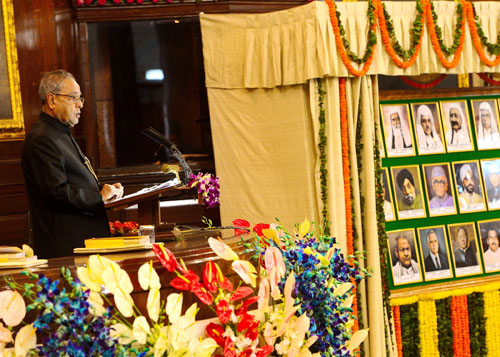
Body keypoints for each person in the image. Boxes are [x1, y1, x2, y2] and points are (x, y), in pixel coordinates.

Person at [21, 70, 124, 258]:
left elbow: (74, 182)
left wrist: (105, 191)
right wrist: (98, 198)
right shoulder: (42, 138)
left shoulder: (60, 133)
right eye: (73, 98)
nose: (79, 105)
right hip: (65, 247)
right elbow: (56, 192)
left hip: (81, 243)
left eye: (80, 99)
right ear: (51, 100)